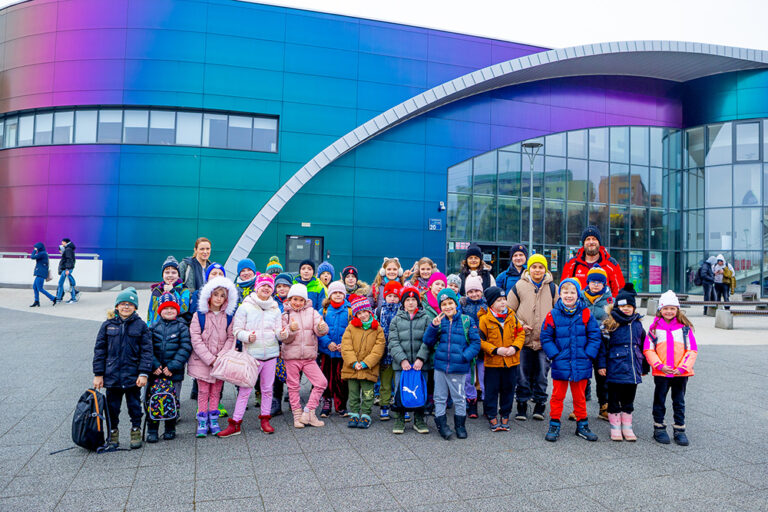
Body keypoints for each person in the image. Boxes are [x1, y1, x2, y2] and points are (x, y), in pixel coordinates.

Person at [222, 274, 286, 437]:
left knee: (267, 390)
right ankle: (235, 422)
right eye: (263, 285)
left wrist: (283, 334)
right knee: (244, 390)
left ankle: (265, 420)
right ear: (257, 287)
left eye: (269, 286)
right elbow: (236, 330)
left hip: (271, 355)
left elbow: (278, 331)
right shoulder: (245, 307)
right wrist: (246, 336)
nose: (266, 289)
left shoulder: (275, 308)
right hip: (251, 355)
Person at [539, 278, 601, 442]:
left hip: (581, 361)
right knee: (557, 396)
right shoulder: (553, 314)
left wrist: (588, 354)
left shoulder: (586, 313)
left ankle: (582, 424)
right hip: (561, 361)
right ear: (560, 294)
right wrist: (555, 355)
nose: (569, 295)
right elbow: (546, 337)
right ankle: (554, 423)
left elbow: (595, 336)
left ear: (578, 294)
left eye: (572, 292)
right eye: (565, 292)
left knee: (580, 396)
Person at [92, 287, 152, 449]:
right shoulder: (107, 326)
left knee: (134, 406)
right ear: (117, 306)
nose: (126, 307)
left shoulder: (141, 326)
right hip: (112, 376)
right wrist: (98, 374)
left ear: (135, 307)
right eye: (123, 304)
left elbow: (147, 351)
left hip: (133, 376)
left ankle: (135, 429)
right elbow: (100, 350)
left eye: (130, 304)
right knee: (112, 407)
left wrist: (144, 373)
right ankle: (113, 432)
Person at [423, 288, 481, 440]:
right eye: (444, 304)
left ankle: (460, 425)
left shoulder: (466, 320)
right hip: (441, 367)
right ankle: (442, 425)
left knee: (459, 397)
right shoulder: (439, 321)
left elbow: (476, 343)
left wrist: (464, 357)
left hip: (458, 367)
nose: (447, 307)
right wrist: (433, 327)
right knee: (440, 397)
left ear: (456, 304)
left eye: (450, 303)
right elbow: (428, 341)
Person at [507, 254, 558, 421]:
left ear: (545, 269)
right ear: (529, 268)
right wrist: (520, 323)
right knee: (521, 373)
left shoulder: (553, 288)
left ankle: (540, 403)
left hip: (545, 340)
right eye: (534, 267)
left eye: (541, 267)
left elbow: (558, 312)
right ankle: (521, 403)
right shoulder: (519, 286)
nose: (537, 270)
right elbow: (509, 311)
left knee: (542, 373)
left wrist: (552, 329)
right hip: (524, 338)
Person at [644, 290, 697, 446]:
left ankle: (679, 429)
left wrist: (682, 368)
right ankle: (659, 428)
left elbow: (692, 350)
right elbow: (648, 349)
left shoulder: (685, 328)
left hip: (680, 373)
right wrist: (659, 365)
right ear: (660, 309)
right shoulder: (654, 329)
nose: (669, 311)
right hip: (662, 372)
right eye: (665, 308)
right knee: (659, 400)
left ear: (677, 310)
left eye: (672, 308)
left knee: (679, 401)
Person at [188, 276, 238, 437]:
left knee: (216, 391)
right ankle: (202, 419)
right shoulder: (199, 315)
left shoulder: (229, 316)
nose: (218, 298)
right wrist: (210, 358)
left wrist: (221, 356)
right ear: (209, 295)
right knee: (203, 391)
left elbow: (231, 337)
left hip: (220, 362)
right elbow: (196, 339)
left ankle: (213, 418)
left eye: (222, 295)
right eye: (216, 294)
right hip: (202, 362)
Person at [597, 284, 645, 442]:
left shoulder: (637, 324)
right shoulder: (609, 324)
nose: (626, 309)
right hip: (615, 367)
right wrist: (601, 365)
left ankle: (627, 426)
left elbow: (644, 346)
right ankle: (615, 427)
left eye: (629, 306)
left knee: (629, 399)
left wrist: (644, 366)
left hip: (632, 367)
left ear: (634, 307)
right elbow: (602, 348)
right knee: (614, 398)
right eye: (623, 306)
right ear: (617, 306)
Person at [145, 293, 192, 443]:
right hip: (155, 373)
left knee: (172, 400)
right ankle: (152, 429)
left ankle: (170, 428)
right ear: (160, 310)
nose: (170, 311)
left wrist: (172, 366)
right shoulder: (153, 327)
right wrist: (154, 365)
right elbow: (147, 348)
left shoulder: (182, 327)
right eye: (166, 308)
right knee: (152, 400)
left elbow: (185, 347)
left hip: (174, 372)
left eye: (173, 308)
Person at [478, 286, 525, 432]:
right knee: (491, 390)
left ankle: (505, 415)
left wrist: (514, 348)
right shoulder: (485, 320)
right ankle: (492, 415)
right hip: (493, 363)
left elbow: (520, 334)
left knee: (508, 389)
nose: (503, 303)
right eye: (499, 300)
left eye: (504, 299)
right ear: (491, 303)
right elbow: (480, 341)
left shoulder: (512, 317)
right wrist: (496, 350)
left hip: (511, 361)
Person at [281, 283, 329, 428]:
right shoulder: (285, 315)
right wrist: (291, 330)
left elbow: (320, 329)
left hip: (309, 357)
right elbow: (284, 338)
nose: (297, 303)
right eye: (294, 299)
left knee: (321, 382)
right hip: (291, 356)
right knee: (293, 387)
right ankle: (297, 416)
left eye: (301, 300)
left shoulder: (313, 312)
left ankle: (308, 412)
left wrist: (322, 328)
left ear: (305, 301)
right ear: (290, 299)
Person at [388, 286, 431, 434]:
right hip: (402, 365)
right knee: (400, 390)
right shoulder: (396, 320)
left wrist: (420, 359)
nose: (411, 303)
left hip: (420, 365)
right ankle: (399, 418)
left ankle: (419, 419)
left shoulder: (426, 319)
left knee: (419, 391)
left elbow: (428, 340)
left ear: (418, 302)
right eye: (408, 300)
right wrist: (402, 360)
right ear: (403, 302)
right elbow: (393, 342)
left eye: (414, 300)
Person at [341, 296, 386, 428]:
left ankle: (366, 414)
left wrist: (366, 362)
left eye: (364, 311)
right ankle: (354, 413)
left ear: (370, 311)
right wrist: (354, 362)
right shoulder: (350, 328)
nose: (362, 315)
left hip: (368, 368)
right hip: (352, 368)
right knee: (353, 393)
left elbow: (378, 349)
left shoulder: (377, 328)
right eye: (359, 313)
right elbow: (346, 347)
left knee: (368, 393)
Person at [581, 266, 613, 421]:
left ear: (604, 284)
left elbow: (613, 320)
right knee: (582, 375)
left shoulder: (609, 300)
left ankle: (604, 405)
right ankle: (579, 407)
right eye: (593, 281)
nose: (596, 285)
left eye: (599, 282)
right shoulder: (581, 297)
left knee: (602, 374)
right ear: (588, 282)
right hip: (584, 342)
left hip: (602, 343)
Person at [318, 281, 351, 418]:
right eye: (335, 293)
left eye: (340, 293)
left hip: (343, 352)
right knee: (326, 378)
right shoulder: (323, 311)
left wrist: (345, 343)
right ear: (330, 295)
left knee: (342, 380)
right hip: (328, 352)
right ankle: (326, 402)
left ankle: (341, 404)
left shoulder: (350, 311)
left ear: (344, 294)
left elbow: (353, 331)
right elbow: (318, 330)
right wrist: (327, 343)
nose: (337, 295)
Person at [561, 226, 625, 297]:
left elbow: (620, 293)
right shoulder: (572, 264)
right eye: (588, 239)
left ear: (599, 242)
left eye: (594, 239)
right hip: (580, 307)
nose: (591, 242)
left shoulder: (611, 264)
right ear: (583, 243)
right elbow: (564, 290)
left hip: (603, 307)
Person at [459, 274, 487, 419]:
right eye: (470, 291)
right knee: (469, 377)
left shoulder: (487, 305)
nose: (474, 294)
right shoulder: (463, 305)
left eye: (476, 291)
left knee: (483, 376)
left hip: (483, 347)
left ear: (481, 291)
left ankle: (487, 402)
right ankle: (472, 402)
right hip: (468, 346)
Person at [374, 280, 402, 421]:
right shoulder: (379, 311)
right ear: (385, 296)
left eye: (396, 296)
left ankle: (401, 406)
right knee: (385, 383)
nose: (392, 299)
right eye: (389, 296)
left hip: (399, 354)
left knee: (399, 383)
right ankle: (384, 405)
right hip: (384, 354)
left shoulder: (403, 311)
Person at [270, 272, 293, 417]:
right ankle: (276, 401)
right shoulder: (272, 303)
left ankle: (292, 399)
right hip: (276, 344)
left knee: (293, 373)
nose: (282, 289)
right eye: (279, 286)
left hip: (292, 344)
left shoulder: (295, 302)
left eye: (285, 286)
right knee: (277, 375)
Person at [147, 256, 191, 326]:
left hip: (176, 330)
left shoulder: (184, 290)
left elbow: (183, 309)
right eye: (167, 272)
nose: (170, 275)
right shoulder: (157, 290)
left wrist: (173, 291)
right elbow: (150, 313)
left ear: (178, 275)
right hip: (157, 329)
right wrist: (149, 327)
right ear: (163, 275)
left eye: (173, 273)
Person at [29, 242, 56, 307]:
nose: (35, 249)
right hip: (40, 272)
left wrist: (34, 250)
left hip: (41, 273)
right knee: (35, 287)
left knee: (40, 288)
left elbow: (32, 257)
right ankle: (36, 301)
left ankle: (53, 298)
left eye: (36, 248)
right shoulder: (42, 253)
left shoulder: (42, 253)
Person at [56, 238, 79, 304]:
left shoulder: (68, 249)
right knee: (62, 283)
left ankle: (73, 299)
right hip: (67, 269)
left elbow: (69, 259)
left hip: (66, 269)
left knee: (67, 284)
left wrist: (67, 269)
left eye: (62, 242)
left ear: (65, 242)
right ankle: (58, 298)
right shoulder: (68, 249)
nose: (61, 243)